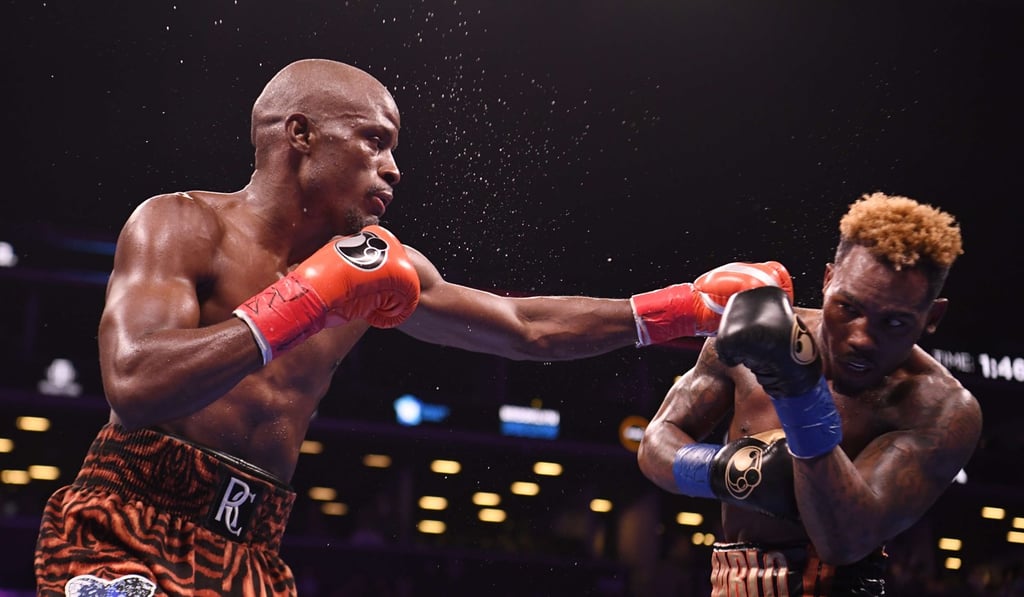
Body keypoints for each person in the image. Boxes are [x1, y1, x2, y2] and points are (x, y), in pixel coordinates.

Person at [32, 58, 793, 596]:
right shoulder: (180, 223)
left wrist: (682, 308)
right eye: (373, 140)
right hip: (127, 524)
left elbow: (521, 325)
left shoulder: (374, 267)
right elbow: (133, 384)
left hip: (251, 547)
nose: (393, 167)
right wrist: (308, 296)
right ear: (299, 134)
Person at [637, 192, 983, 595]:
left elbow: (845, 541)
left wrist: (798, 394)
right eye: (848, 308)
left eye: (893, 323)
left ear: (932, 318)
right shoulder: (758, 336)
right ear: (827, 280)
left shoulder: (939, 408)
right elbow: (655, 443)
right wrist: (730, 472)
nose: (862, 339)